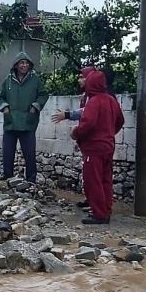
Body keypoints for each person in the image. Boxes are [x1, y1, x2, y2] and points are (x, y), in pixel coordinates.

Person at [70, 70, 125, 224]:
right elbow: (120, 120)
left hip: (93, 147)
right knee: (105, 180)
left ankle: (99, 214)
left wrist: (75, 133)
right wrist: (109, 133)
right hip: (108, 146)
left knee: (93, 181)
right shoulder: (111, 100)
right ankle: (106, 210)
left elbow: (88, 124)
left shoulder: (94, 101)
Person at [0, 51, 49, 183]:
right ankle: (7, 175)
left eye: (26, 63)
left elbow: (43, 95)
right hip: (11, 121)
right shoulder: (8, 80)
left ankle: (31, 179)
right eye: (21, 63)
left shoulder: (35, 80)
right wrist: (5, 108)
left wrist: (35, 107)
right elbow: (0, 97)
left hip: (27, 122)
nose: (24, 65)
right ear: (16, 65)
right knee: (8, 152)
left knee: (29, 153)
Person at [51, 66, 96, 209]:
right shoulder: (87, 97)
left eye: (82, 77)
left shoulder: (97, 98)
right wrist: (80, 139)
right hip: (88, 140)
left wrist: (68, 115)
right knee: (89, 174)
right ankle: (91, 201)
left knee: (95, 175)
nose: (79, 80)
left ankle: (98, 207)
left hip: (96, 141)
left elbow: (87, 116)